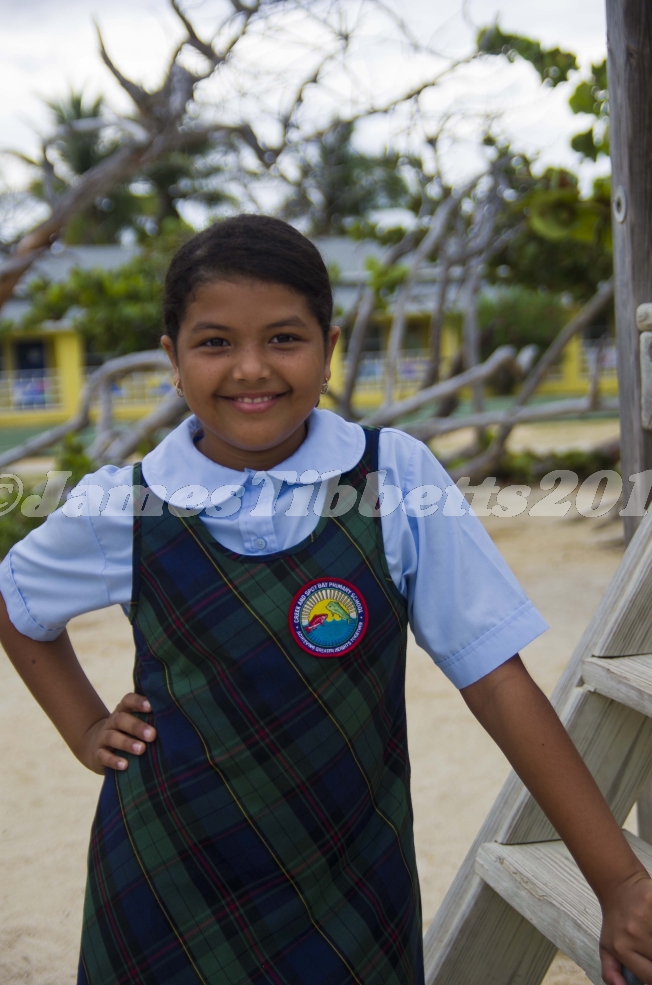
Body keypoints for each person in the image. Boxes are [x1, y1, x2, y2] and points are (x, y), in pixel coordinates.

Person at [0, 215, 650, 985]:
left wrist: (619, 881)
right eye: (215, 342)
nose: (251, 368)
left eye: (284, 338)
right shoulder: (127, 505)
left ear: (330, 347)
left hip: (350, 889)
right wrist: (83, 727)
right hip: (163, 889)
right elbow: (16, 600)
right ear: (172, 358)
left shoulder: (393, 477)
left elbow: (496, 680)